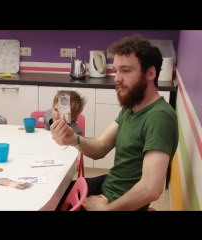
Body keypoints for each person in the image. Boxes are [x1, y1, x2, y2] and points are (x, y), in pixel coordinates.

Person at [51, 35, 179, 211]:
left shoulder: (159, 117)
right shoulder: (132, 107)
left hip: (116, 202)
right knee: (53, 191)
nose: (117, 78)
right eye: (116, 70)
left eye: (125, 70)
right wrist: (73, 139)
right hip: (109, 186)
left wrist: (104, 210)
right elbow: (101, 146)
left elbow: (151, 189)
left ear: (150, 73)